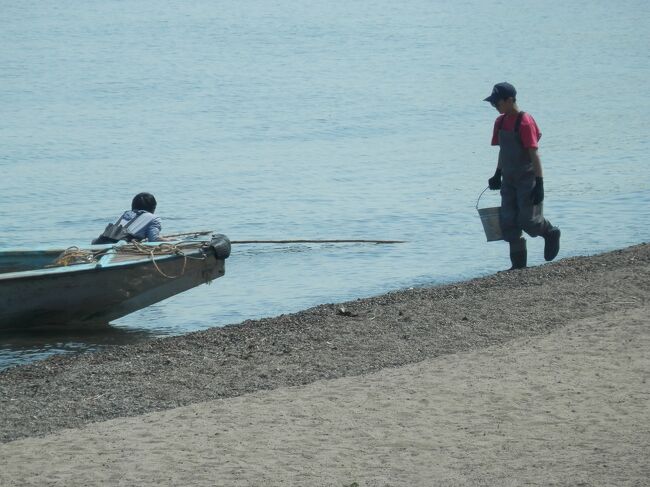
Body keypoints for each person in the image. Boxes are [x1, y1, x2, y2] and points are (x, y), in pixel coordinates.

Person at [484, 82, 560, 269]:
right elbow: (503, 151)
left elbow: (534, 154)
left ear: (510, 100)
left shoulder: (525, 122)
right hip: (508, 179)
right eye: (493, 104)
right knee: (508, 222)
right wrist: (497, 173)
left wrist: (540, 183)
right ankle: (518, 267)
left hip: (527, 177)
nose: (495, 107)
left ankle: (550, 232)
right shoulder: (500, 122)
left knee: (528, 221)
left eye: (497, 103)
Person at [92, 192, 168, 244]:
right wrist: (171, 241)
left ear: (133, 206)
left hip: (100, 243)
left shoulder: (126, 214)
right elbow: (154, 240)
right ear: (153, 208)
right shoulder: (154, 219)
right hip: (121, 247)